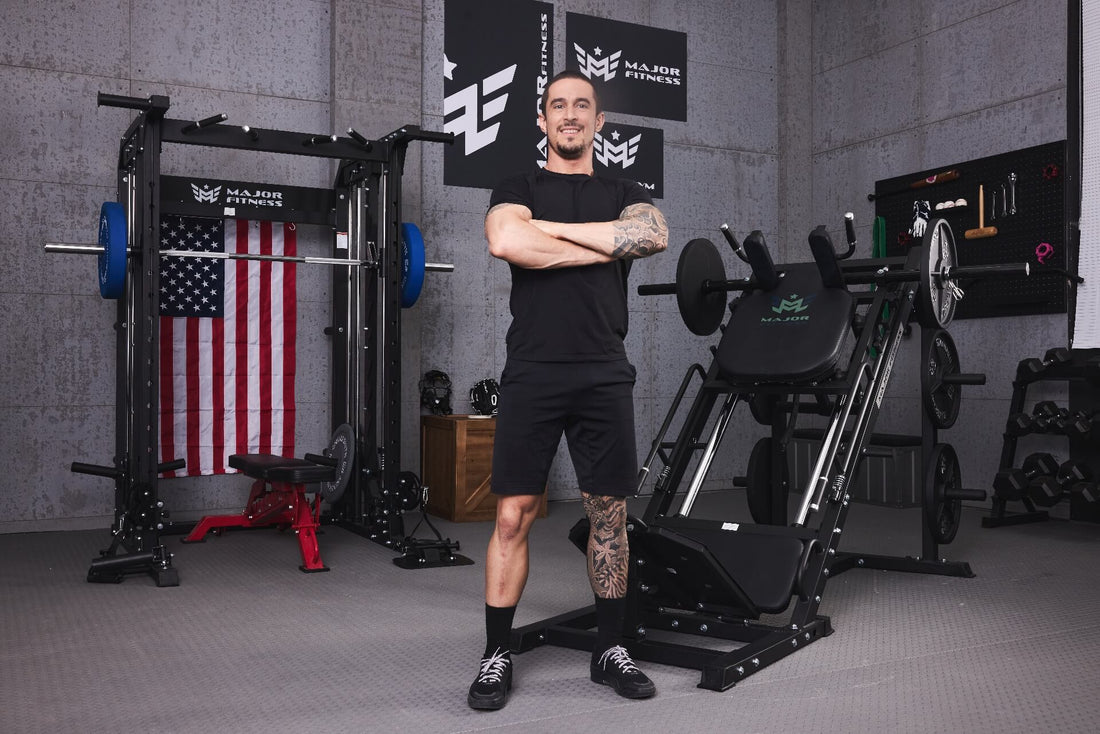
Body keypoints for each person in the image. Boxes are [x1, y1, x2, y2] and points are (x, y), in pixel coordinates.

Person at [467, 70, 668, 711]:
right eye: (559, 105)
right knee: (510, 515)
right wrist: (604, 244)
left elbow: (652, 235)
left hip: (603, 370)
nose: (571, 115)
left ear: (599, 121)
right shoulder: (517, 186)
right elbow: (504, 239)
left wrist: (547, 235)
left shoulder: (623, 189)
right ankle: (497, 652)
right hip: (533, 371)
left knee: (609, 515)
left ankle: (610, 648)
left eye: (583, 105)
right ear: (542, 119)